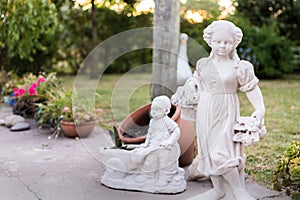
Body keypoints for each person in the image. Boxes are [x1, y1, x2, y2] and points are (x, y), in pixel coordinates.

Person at [186, 20, 266, 200]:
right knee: (208, 151)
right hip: (205, 110)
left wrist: (260, 109)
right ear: (210, 41)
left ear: (234, 43)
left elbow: (251, 88)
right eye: (218, 41)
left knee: (221, 152)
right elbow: (196, 82)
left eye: (227, 42)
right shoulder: (203, 64)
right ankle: (218, 190)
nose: (223, 46)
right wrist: (189, 88)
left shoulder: (239, 67)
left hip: (226, 110)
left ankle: (239, 191)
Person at [138, 95, 182, 186]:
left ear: (166, 111)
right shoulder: (152, 121)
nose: (154, 112)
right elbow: (150, 134)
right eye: (152, 109)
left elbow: (176, 131)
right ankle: (148, 176)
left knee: (165, 164)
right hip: (154, 147)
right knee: (149, 161)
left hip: (165, 148)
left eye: (158, 109)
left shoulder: (167, 121)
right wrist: (146, 144)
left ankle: (165, 178)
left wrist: (170, 141)